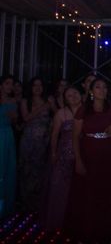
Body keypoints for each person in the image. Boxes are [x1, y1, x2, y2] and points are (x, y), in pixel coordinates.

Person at [65, 77, 111, 242]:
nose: (101, 90)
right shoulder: (83, 110)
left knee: (108, 192)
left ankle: (108, 228)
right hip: (89, 153)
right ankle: (89, 229)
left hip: (110, 153)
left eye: (104, 87)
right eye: (98, 87)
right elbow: (75, 137)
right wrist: (79, 160)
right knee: (89, 194)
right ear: (91, 91)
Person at [40, 85, 82, 231]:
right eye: (69, 95)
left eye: (76, 93)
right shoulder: (61, 113)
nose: (74, 97)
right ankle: (59, 221)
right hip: (64, 154)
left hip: (82, 154)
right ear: (65, 99)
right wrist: (53, 153)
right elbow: (54, 135)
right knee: (60, 189)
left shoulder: (87, 111)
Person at [18, 76, 53, 211]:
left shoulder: (48, 100)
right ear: (31, 87)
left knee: (41, 170)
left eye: (40, 85)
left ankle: (39, 202)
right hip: (29, 140)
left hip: (44, 141)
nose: (38, 88)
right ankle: (26, 203)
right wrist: (44, 106)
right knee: (27, 170)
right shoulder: (25, 101)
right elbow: (26, 117)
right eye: (35, 85)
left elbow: (56, 115)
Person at [0, 75, 17, 219]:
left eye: (11, 84)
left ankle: (4, 205)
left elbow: (15, 120)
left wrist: (13, 117)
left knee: (6, 168)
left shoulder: (13, 101)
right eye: (7, 83)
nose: (10, 86)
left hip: (7, 135)